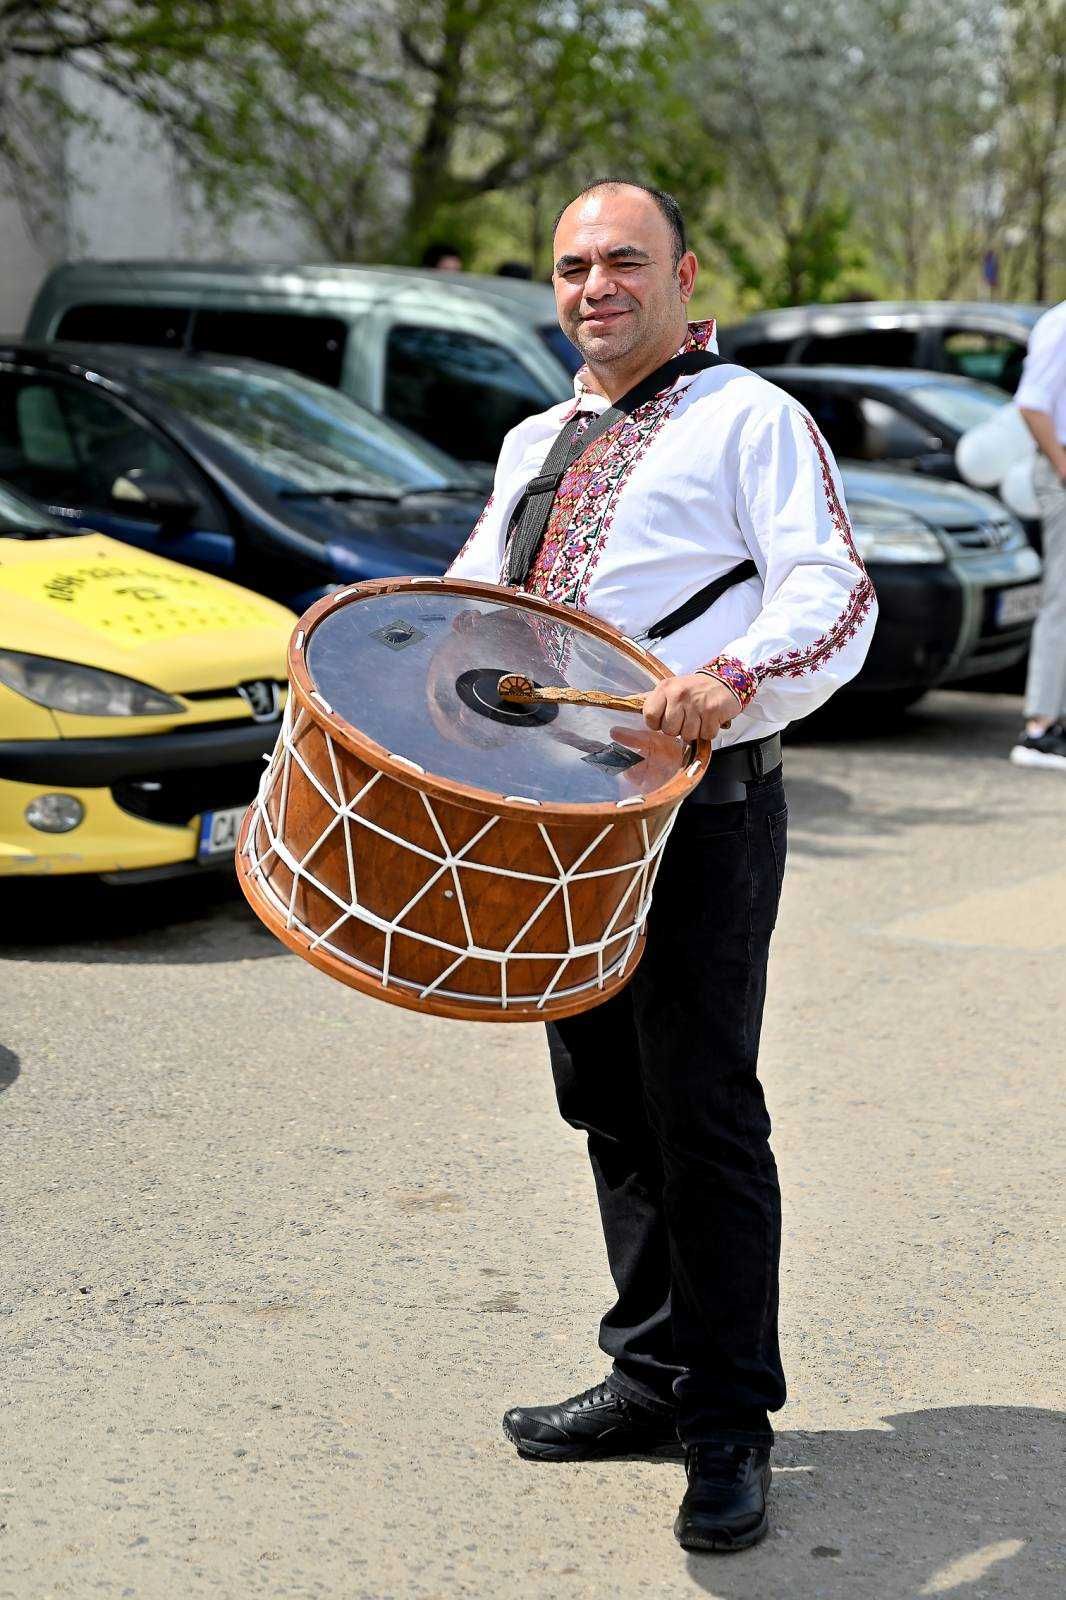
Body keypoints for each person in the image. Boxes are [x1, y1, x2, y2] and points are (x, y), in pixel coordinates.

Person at [448, 179, 876, 1553]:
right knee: (607, 1101)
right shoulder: (535, 437)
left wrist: (727, 674)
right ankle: (651, 1371)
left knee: (697, 1109)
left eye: (624, 261)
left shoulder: (750, 417)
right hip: (562, 825)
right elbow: (474, 609)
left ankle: (728, 1423)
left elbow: (831, 589)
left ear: (688, 278)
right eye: (573, 266)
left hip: (702, 807)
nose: (594, 287)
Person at [1011, 300, 1066, 772]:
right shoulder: (1061, 323)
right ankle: (1040, 729)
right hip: (1061, 469)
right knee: (1061, 600)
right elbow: (1032, 403)